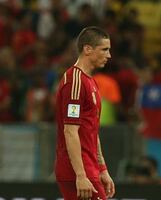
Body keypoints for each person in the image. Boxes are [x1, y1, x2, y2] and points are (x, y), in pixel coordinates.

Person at [54, 26, 115, 200]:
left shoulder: (90, 82)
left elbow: (91, 130)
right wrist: (81, 175)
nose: (109, 55)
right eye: (104, 49)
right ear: (87, 49)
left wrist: (102, 168)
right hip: (77, 171)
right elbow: (70, 131)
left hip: (89, 168)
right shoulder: (75, 81)